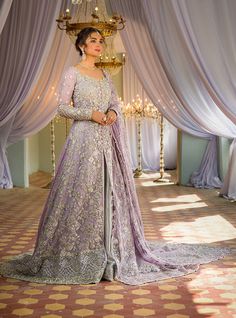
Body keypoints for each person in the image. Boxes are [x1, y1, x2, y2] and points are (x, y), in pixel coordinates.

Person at [0, 27, 230, 285]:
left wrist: (112, 113)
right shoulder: (72, 73)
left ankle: (111, 249)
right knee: (82, 191)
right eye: (93, 41)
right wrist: (91, 114)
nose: (99, 44)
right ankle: (79, 251)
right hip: (83, 141)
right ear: (81, 46)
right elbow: (63, 107)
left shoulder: (105, 74)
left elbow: (115, 103)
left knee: (110, 192)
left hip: (107, 142)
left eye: (101, 40)